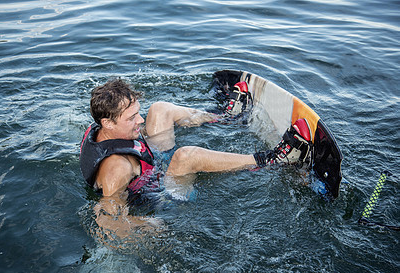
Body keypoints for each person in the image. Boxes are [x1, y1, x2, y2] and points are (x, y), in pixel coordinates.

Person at [80, 78, 312, 239]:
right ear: (108, 123)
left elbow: (137, 128)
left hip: (151, 166)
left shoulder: (103, 127)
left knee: (160, 109)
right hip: (160, 196)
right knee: (185, 156)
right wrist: (150, 227)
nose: (140, 120)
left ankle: (226, 118)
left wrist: (134, 123)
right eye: (131, 118)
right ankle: (273, 159)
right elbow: (108, 222)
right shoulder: (115, 169)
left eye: (137, 113)